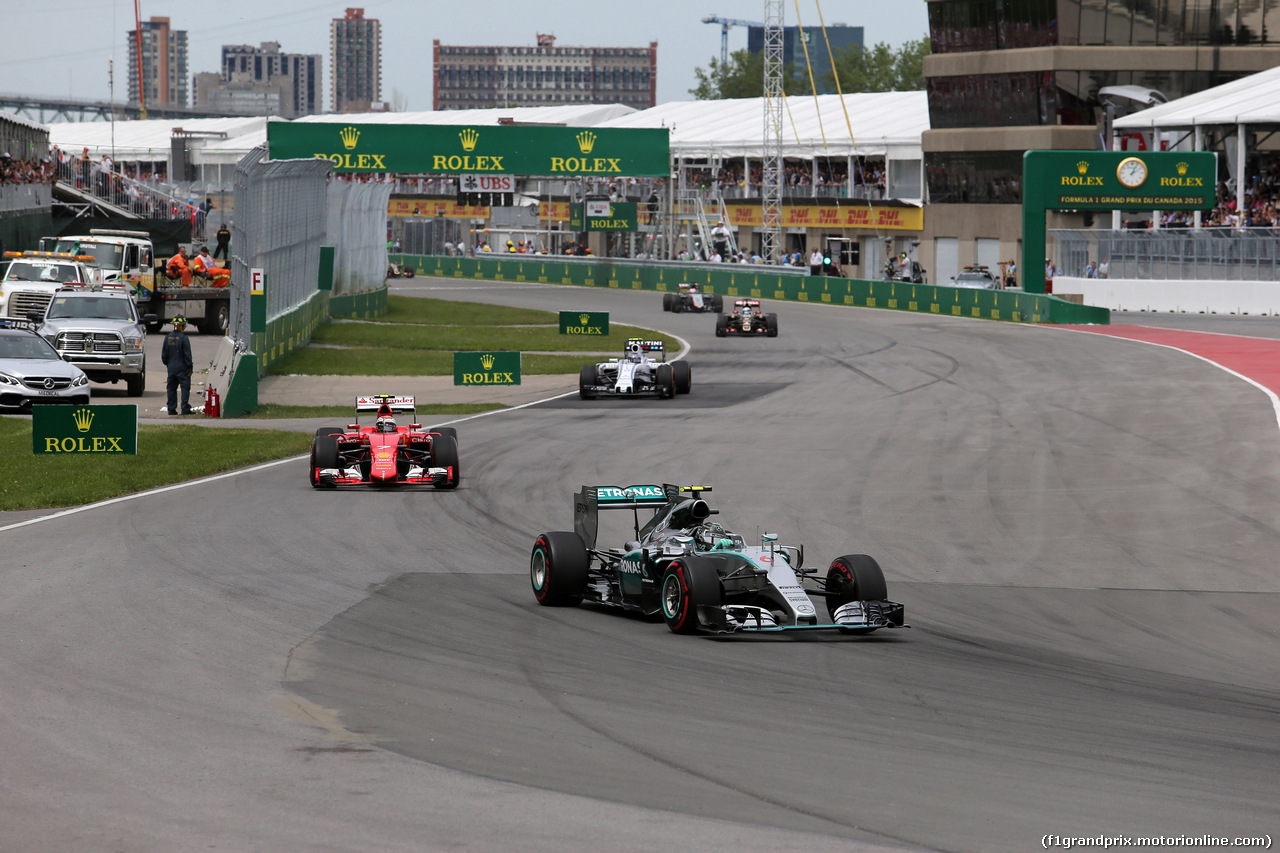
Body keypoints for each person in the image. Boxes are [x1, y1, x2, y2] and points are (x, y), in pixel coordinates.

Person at [161, 316, 195, 416]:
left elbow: (164, 356)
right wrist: (189, 366)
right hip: (182, 368)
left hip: (171, 367)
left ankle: (171, 409)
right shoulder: (184, 338)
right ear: (182, 326)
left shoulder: (167, 337)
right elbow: (187, 355)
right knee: (185, 387)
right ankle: (184, 408)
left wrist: (169, 365)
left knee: (171, 388)